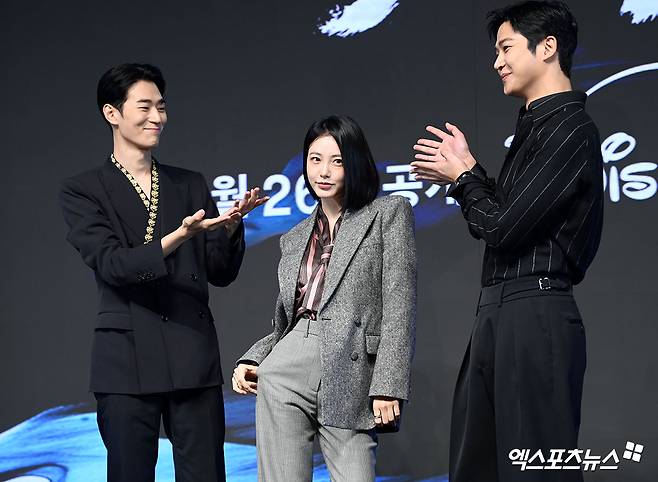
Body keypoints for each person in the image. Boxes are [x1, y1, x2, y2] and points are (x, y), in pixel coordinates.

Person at [411, 2, 603, 481]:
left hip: (535, 314)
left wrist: (463, 179)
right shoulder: (534, 126)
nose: (496, 62)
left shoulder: (570, 129)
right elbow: (505, 218)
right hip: (498, 311)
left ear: (547, 47)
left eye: (505, 48)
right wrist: (469, 172)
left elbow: (502, 228)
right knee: (477, 467)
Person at [59, 63, 267, 482]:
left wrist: (230, 229)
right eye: (145, 106)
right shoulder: (84, 190)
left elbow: (219, 272)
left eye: (162, 106)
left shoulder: (189, 184)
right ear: (112, 113)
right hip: (126, 359)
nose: (157, 117)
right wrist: (180, 235)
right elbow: (114, 266)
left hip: (192, 352)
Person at [232, 115, 416, 481]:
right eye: (315, 159)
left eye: (337, 161)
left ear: (355, 163)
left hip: (350, 363)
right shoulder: (294, 237)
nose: (324, 171)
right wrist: (254, 358)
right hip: (285, 367)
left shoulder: (387, 213)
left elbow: (400, 304)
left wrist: (388, 385)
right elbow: (287, 322)